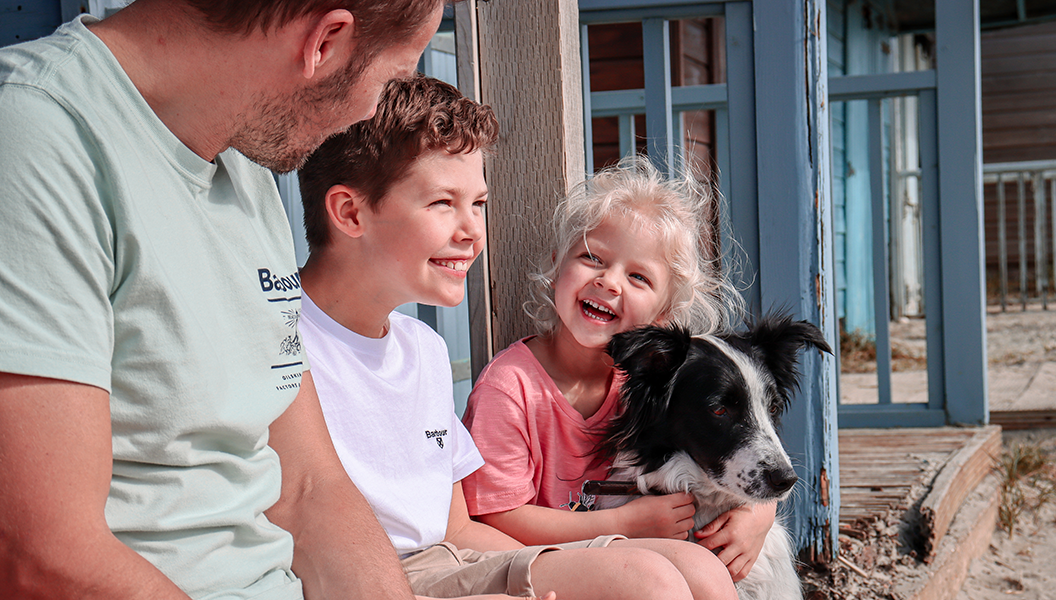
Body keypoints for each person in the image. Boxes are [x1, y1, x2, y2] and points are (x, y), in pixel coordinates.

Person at [0, 1, 454, 599]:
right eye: (392, 79)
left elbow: (308, 488)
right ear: (326, 41)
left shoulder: (243, 166)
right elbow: (43, 557)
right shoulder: (36, 133)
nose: (371, 113)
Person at [297, 74, 738, 600]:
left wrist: (566, 566)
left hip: (452, 556)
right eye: (443, 203)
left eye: (478, 204)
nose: (472, 231)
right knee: (647, 583)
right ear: (350, 212)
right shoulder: (283, 341)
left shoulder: (423, 348)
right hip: (371, 580)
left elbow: (458, 529)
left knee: (695, 571)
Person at [461, 155, 779, 583]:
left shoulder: (654, 384)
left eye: (638, 277)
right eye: (593, 258)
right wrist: (621, 525)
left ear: (663, 315)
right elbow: (496, 517)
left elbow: (738, 446)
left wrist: (758, 516)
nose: (609, 282)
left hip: (631, 560)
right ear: (558, 265)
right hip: (546, 569)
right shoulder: (510, 389)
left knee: (707, 578)